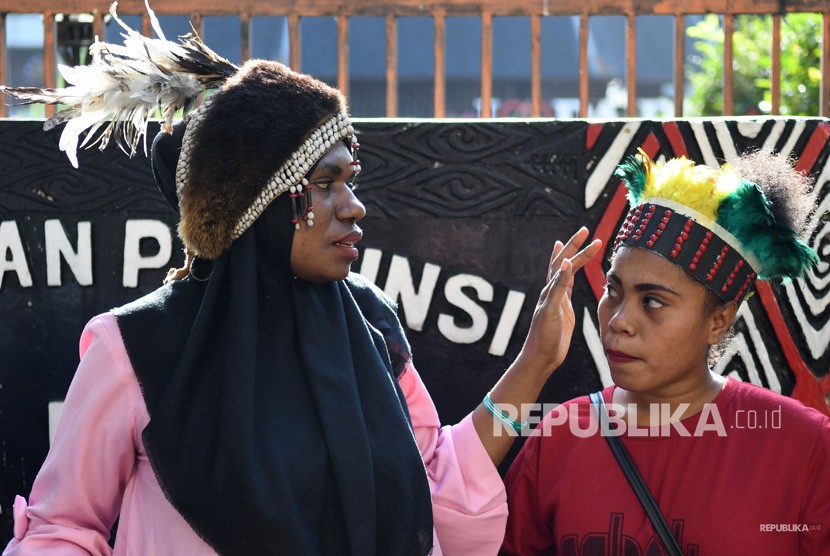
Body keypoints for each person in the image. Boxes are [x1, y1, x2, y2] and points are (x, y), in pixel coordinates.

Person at [2, 5, 601, 555]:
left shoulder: (369, 324)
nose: (353, 205)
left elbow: (437, 486)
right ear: (256, 204)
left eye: (352, 178)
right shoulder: (135, 347)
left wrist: (538, 360)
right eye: (324, 182)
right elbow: (63, 528)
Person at [500, 150, 830, 555]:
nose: (620, 321)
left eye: (653, 301)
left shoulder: (801, 446)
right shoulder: (561, 437)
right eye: (613, 291)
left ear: (718, 321)